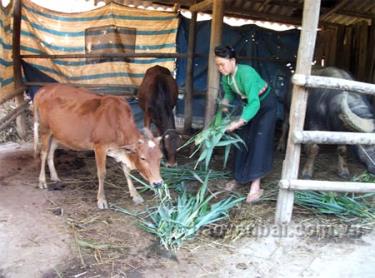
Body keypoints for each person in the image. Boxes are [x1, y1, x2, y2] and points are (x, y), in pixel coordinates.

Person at [214, 45, 277, 203]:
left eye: (222, 64)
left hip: (265, 106)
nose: (220, 68)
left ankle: (255, 185)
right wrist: (222, 110)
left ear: (233, 61)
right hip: (249, 106)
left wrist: (239, 122)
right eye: (217, 65)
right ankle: (239, 178)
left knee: (259, 141)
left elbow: (255, 103)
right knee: (242, 139)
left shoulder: (246, 73)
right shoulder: (226, 77)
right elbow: (228, 95)